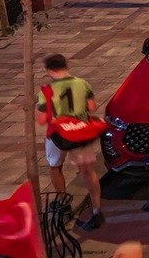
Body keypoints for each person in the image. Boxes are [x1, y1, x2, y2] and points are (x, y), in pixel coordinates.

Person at [35, 54, 103, 230]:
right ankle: (96, 210)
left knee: (55, 167)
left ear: (49, 71)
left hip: (57, 135)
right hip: (80, 131)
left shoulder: (46, 91)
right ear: (67, 66)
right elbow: (91, 107)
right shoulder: (82, 84)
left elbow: (42, 119)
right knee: (87, 171)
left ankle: (63, 203)